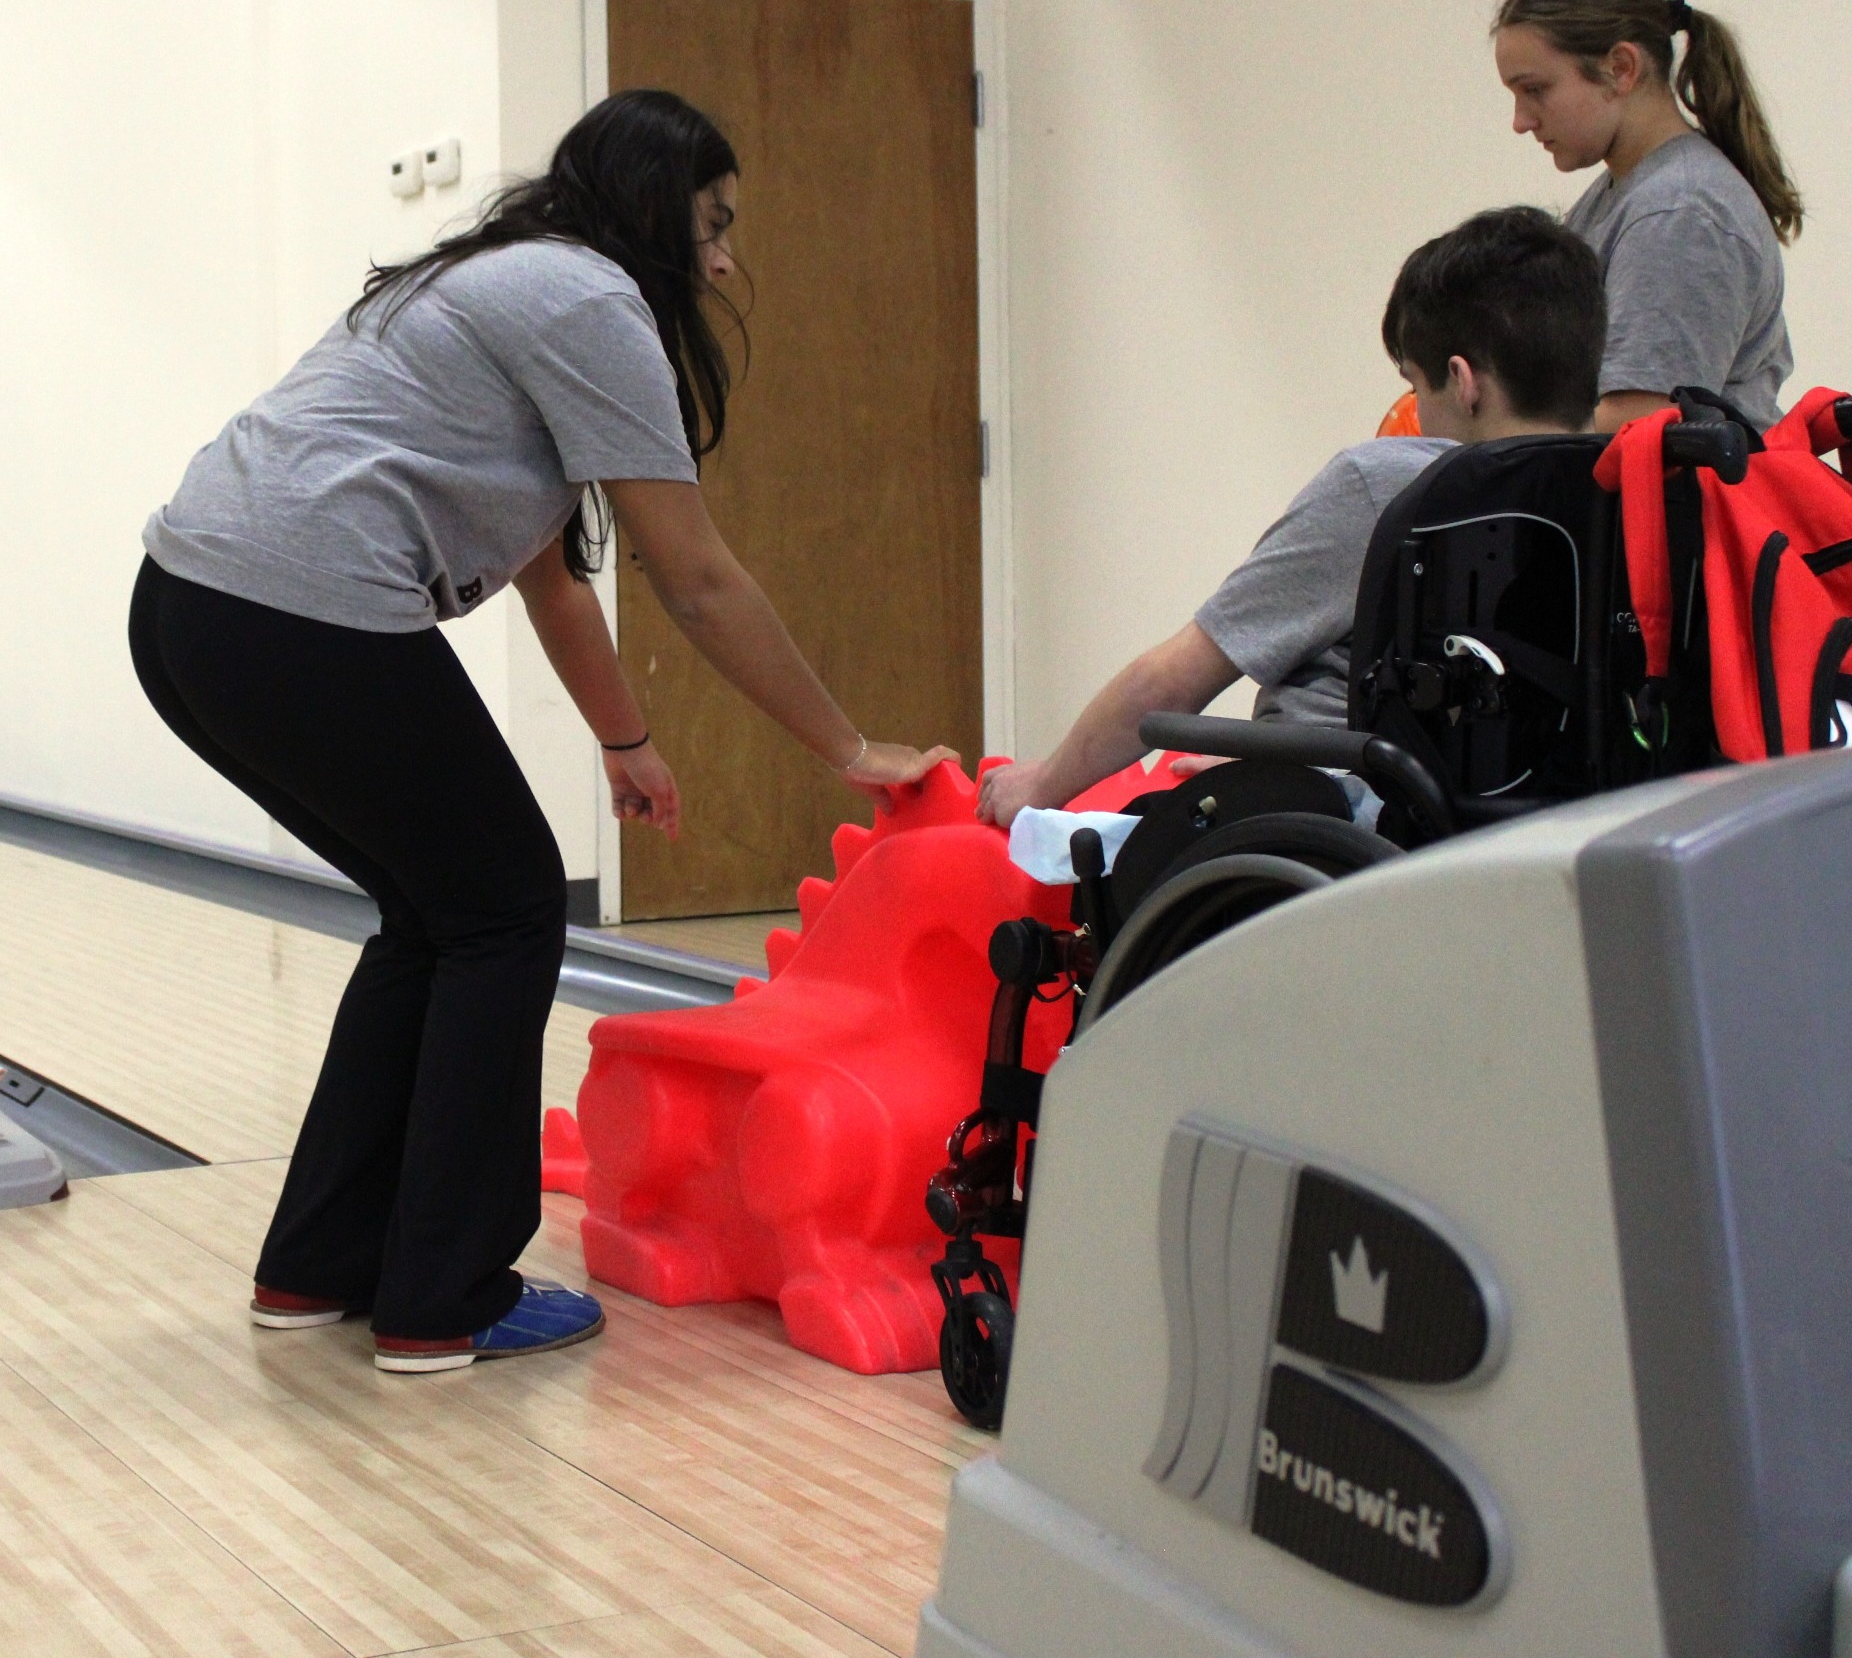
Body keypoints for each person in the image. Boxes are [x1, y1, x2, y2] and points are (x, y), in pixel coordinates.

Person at [130, 89, 956, 1374]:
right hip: (296, 609)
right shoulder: (587, 299)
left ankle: (322, 1265)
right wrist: (848, 750)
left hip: (192, 611)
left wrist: (625, 743)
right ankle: (443, 1294)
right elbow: (696, 576)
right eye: (714, 221)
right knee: (507, 906)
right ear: (650, 206)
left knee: (442, 912)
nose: (726, 258)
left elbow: (548, 571)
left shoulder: (494, 281)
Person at [976, 206, 1605, 827]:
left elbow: (1172, 685)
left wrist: (1041, 782)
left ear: (1464, 383)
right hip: (1517, 831)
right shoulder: (1621, 494)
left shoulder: (1388, 487)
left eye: (1417, 385)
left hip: (1336, 830)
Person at [1494, 0, 1802, 435]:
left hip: (1683, 510)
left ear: (1621, 68)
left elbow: (1640, 424)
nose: (1521, 120)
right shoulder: (1624, 195)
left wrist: (1488, 444)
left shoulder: (1679, 211)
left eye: (1536, 90)